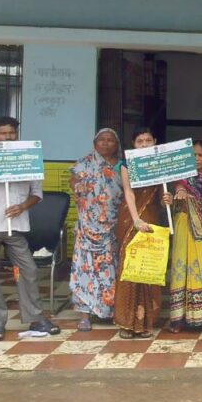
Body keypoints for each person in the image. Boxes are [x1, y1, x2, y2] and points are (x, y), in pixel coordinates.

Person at [0, 116, 60, 342]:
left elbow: (37, 194)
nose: (8, 137)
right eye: (3, 133)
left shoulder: (27, 159)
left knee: (28, 271)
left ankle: (35, 318)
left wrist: (22, 206)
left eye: (12, 133)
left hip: (17, 229)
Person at [113, 127, 171, 340]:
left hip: (152, 217)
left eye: (148, 140)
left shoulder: (161, 164)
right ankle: (126, 322)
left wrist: (167, 200)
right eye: (140, 141)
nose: (144, 144)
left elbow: (162, 196)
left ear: (154, 141)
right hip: (131, 219)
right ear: (133, 144)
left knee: (149, 267)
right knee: (129, 268)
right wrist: (136, 219)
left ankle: (147, 321)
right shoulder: (127, 164)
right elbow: (128, 191)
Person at [68, 128, 124, 332]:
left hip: (113, 226)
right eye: (102, 140)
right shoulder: (84, 163)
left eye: (110, 140)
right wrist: (77, 186)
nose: (106, 143)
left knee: (110, 268)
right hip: (88, 227)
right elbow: (74, 179)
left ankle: (110, 311)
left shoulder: (122, 166)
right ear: (94, 143)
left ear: (116, 144)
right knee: (86, 268)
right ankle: (85, 314)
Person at [166, 139, 202, 333]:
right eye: (192, 155)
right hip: (184, 226)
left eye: (200, 155)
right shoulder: (180, 177)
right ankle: (177, 319)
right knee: (182, 267)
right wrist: (178, 193)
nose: (196, 158)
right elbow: (178, 190)